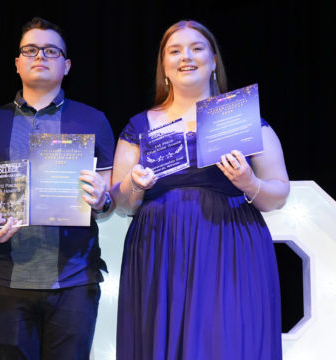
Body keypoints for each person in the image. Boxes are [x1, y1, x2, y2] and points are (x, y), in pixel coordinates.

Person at [112, 20, 289, 360]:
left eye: (196, 48)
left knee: (226, 341)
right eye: (174, 51)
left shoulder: (241, 118)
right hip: (159, 250)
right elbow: (120, 202)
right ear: (164, 67)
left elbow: (279, 193)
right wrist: (134, 184)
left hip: (231, 247)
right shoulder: (139, 125)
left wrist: (248, 182)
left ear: (213, 61)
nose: (185, 57)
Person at [0, 17, 116, 359]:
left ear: (66, 65)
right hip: (7, 281)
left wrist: (102, 199)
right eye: (30, 49)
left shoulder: (93, 120)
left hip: (75, 281)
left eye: (51, 50)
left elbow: (107, 202)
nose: (40, 56)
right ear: (17, 63)